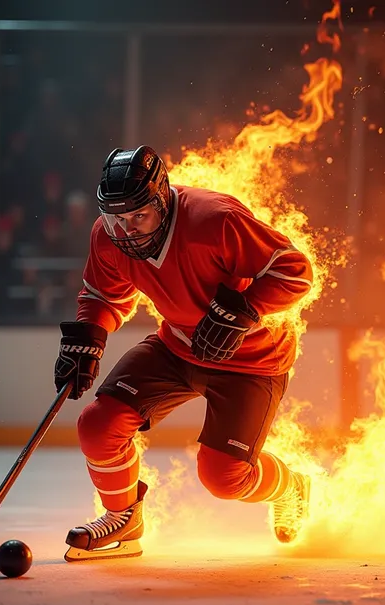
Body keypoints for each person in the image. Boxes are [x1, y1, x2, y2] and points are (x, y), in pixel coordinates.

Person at [54, 145, 313, 562]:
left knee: (224, 479)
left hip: (252, 360)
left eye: (138, 215)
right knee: (98, 424)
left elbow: (295, 270)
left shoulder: (216, 220)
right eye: (116, 218)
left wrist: (248, 308)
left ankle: (291, 487)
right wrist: (89, 335)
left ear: (161, 198)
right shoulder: (108, 236)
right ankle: (124, 520)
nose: (127, 230)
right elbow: (103, 294)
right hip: (177, 345)